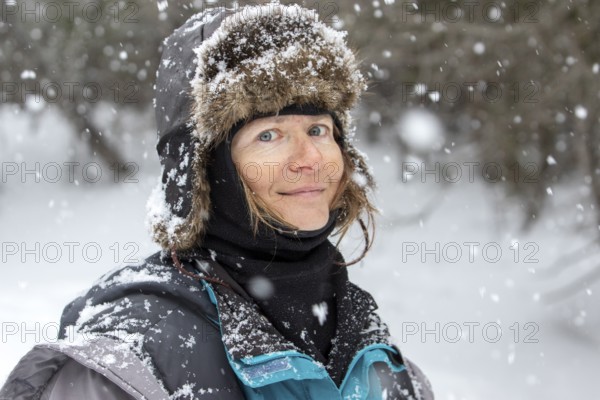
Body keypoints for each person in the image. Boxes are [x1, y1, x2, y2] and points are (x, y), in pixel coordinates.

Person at [0, 3, 434, 399]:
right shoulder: (131, 362)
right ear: (207, 171)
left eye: (318, 129)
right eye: (270, 135)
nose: (312, 159)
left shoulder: (378, 354)